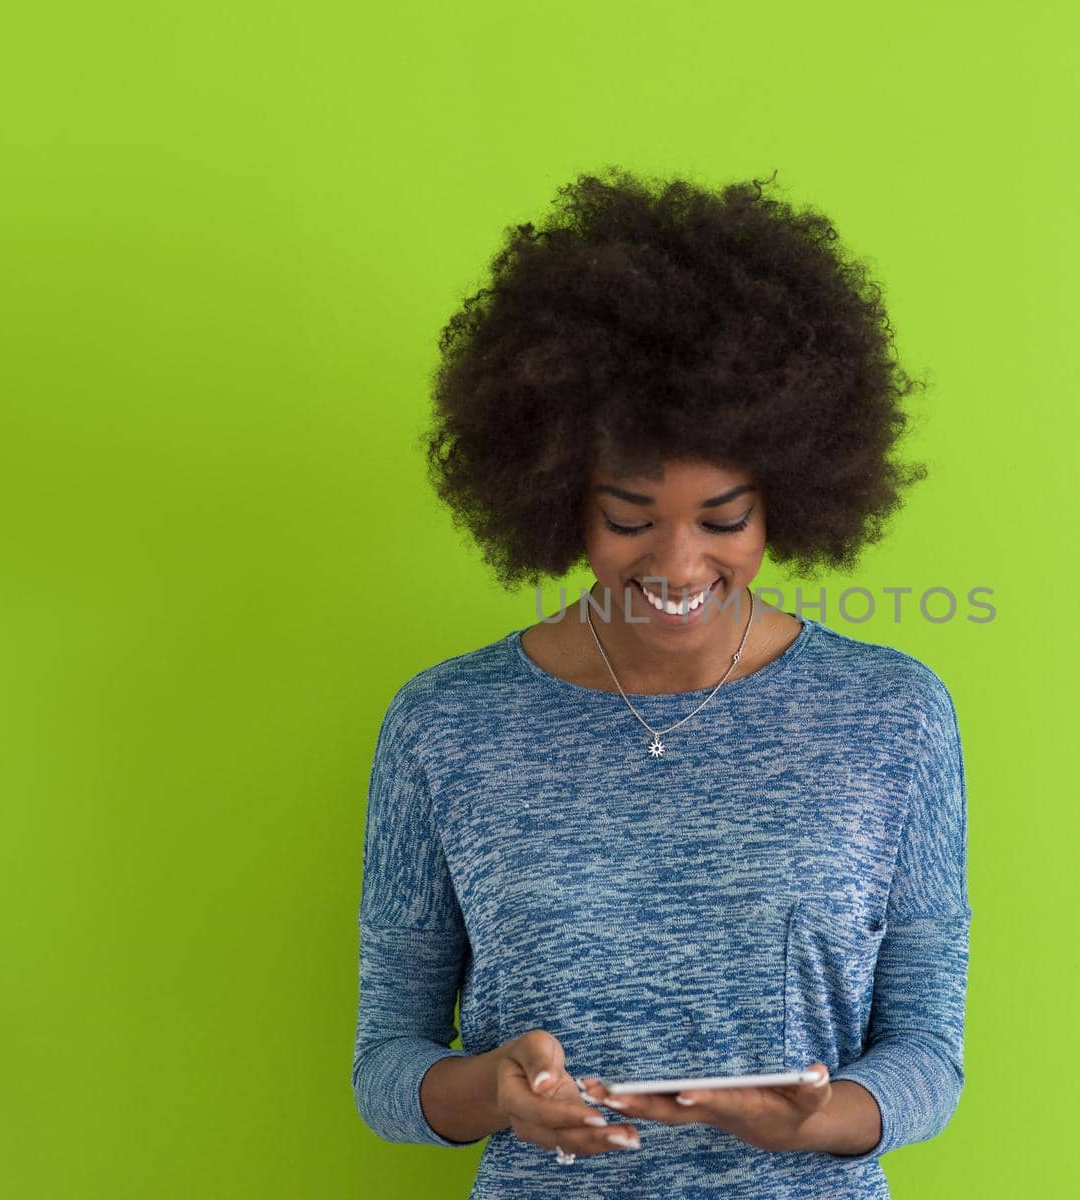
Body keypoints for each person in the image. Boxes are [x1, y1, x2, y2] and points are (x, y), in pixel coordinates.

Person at [351, 166, 972, 1199]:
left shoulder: (889, 715)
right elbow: (386, 1069)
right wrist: (494, 1093)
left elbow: (925, 1054)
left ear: (789, 498)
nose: (679, 565)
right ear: (557, 501)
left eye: (722, 520)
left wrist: (825, 1120)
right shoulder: (446, 725)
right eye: (630, 520)